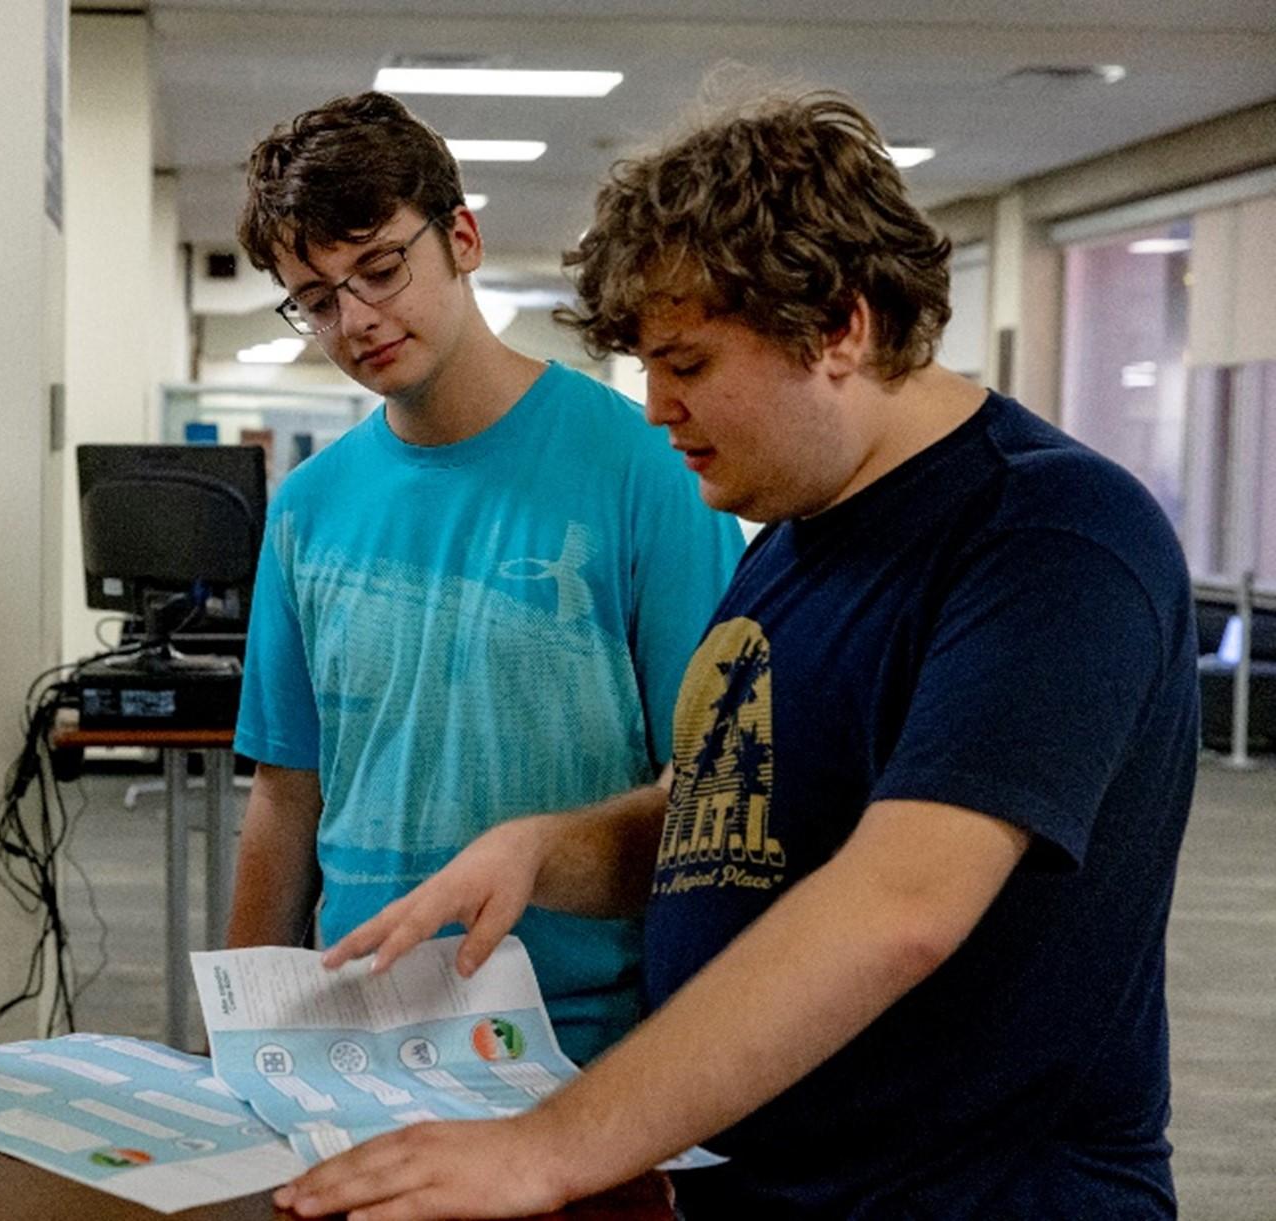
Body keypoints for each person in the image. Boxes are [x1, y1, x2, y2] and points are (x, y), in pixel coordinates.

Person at [278, 88, 1198, 1221]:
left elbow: (900, 901)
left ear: (839, 328)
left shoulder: (1049, 539)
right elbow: (738, 813)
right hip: (769, 1183)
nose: (657, 409)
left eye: (690, 365)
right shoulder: (798, 536)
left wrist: (552, 1147)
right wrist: (545, 851)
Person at [227, 91, 743, 1067]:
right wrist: (244, 1035)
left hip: (578, 1038)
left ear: (459, 237)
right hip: (358, 1030)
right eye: (319, 299)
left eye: (381, 268)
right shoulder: (307, 507)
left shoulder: (646, 468)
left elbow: (708, 792)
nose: (357, 319)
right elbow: (285, 795)